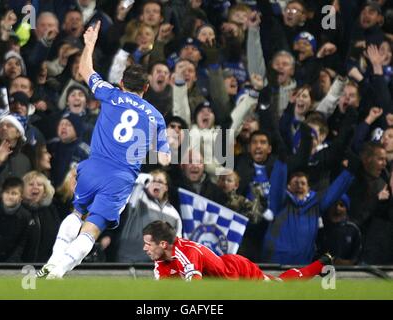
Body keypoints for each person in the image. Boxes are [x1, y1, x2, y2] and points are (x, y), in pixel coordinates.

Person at [38, 21, 170, 278]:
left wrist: (89, 44)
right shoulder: (156, 118)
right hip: (119, 177)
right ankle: (56, 273)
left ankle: (53, 261)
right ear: (146, 88)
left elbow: (85, 69)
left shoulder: (110, 93)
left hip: (92, 167)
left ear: (121, 83)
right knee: (93, 227)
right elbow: (164, 159)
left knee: (77, 212)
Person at [142, 220, 333, 281]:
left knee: (281, 287)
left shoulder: (187, 254)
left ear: (164, 244)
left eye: (148, 244)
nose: (145, 249)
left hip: (239, 272)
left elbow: (196, 294)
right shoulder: (161, 260)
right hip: (221, 284)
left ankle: (322, 263)